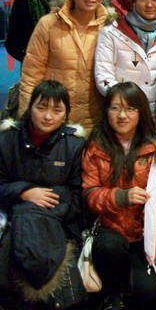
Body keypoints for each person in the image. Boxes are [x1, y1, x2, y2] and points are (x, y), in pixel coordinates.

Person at [0, 81, 86, 307]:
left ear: (66, 113)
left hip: (59, 223)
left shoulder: (75, 144)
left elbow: (79, 197)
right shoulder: (7, 139)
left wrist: (42, 209)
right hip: (11, 222)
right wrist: (24, 192)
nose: (48, 116)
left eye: (57, 110)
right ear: (30, 107)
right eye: (41, 107)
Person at [82, 82, 156, 309]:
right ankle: (113, 295)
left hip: (143, 236)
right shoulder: (95, 147)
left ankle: (129, 286)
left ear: (141, 112)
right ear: (106, 111)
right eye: (115, 108)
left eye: (130, 108)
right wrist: (120, 197)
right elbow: (89, 194)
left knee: (151, 294)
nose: (122, 115)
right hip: (108, 233)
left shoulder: (155, 145)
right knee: (110, 244)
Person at [19, 0, 108, 131]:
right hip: (53, 119)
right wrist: (27, 118)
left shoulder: (109, 28)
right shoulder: (49, 24)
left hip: (94, 121)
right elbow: (31, 75)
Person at [95, 0, 156, 120]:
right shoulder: (112, 32)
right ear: (134, 1)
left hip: (155, 118)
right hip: (122, 117)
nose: (149, 5)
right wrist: (128, 106)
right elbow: (103, 77)